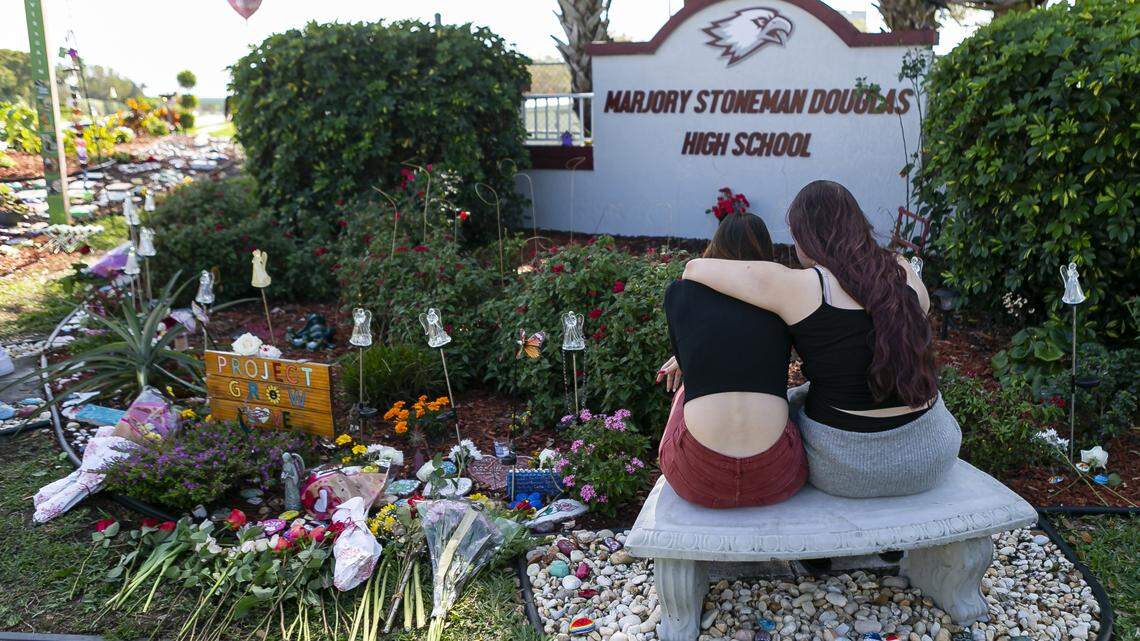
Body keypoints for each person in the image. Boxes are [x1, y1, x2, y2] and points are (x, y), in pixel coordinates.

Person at [681, 180, 960, 498]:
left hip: (847, 467)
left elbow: (695, 268)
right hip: (932, 455)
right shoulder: (902, 270)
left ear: (807, 236)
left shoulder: (799, 286)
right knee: (805, 395)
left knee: (786, 406)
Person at [656, 212, 807, 509]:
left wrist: (685, 359)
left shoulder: (680, 294)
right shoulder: (783, 301)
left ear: (716, 246)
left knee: (688, 389)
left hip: (696, 478)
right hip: (776, 476)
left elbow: (701, 358)